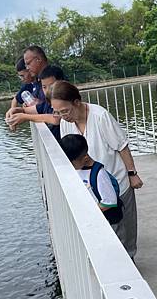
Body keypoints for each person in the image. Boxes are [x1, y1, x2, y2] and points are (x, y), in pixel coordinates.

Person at [50, 80, 143, 259]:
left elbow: (121, 146)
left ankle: (130, 259)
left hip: (117, 182)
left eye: (65, 110)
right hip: (91, 187)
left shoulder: (100, 116)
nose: (63, 116)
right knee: (108, 230)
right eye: (58, 112)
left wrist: (132, 174)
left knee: (126, 225)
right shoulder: (65, 123)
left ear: (77, 102)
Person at [60, 134, 123, 229]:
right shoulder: (78, 168)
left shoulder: (99, 174)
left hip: (108, 221)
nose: (69, 166)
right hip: (93, 221)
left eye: (71, 163)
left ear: (85, 158)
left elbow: (109, 201)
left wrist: (88, 213)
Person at [6, 65, 64, 139]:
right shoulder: (48, 103)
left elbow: (56, 119)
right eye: (44, 87)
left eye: (52, 86)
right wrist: (17, 110)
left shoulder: (64, 100)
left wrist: (25, 117)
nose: (48, 91)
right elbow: (30, 109)